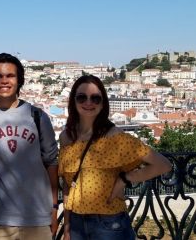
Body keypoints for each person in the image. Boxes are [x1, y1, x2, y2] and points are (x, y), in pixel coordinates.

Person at [59, 75, 172, 240]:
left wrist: (125, 179)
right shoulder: (66, 137)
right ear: (73, 101)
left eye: (95, 98)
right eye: (82, 97)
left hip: (109, 223)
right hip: (76, 224)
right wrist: (67, 227)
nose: (88, 102)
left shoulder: (116, 137)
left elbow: (163, 165)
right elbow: (68, 186)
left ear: (103, 103)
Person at [0, 52, 59, 240]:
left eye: (10, 75)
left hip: (37, 218)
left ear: (19, 80)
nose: (4, 81)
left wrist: (54, 208)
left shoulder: (38, 116)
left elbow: (51, 163)